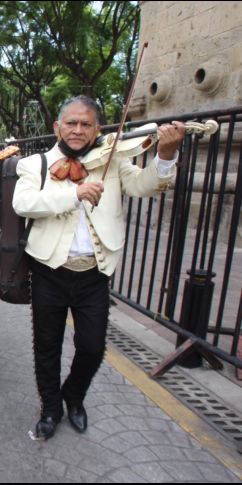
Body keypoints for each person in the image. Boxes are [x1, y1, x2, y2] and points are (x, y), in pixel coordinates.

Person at [13, 95, 185, 440]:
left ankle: (73, 395)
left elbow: (144, 185)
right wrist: (74, 194)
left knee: (92, 346)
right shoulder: (36, 165)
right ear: (57, 127)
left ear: (97, 129)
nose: (78, 130)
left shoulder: (114, 159)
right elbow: (23, 203)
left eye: (86, 124)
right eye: (71, 123)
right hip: (49, 270)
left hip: (95, 272)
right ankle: (50, 407)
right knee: (46, 345)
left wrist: (165, 155)